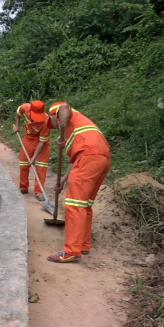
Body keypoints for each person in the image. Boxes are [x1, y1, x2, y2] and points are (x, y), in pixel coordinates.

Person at [46, 102, 111, 263]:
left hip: (88, 158)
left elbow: (64, 107)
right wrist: (62, 180)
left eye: (52, 122)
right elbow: (75, 161)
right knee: (84, 205)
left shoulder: (66, 114)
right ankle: (83, 244)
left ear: (53, 115)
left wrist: (61, 133)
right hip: (99, 159)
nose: (54, 126)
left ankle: (71, 251)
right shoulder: (76, 127)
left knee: (74, 205)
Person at [13, 100, 50, 201]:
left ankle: (39, 191)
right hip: (28, 139)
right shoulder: (25, 107)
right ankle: (23, 187)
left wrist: (34, 158)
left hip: (42, 144)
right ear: (30, 111)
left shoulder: (46, 121)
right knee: (24, 164)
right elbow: (18, 113)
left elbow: (42, 142)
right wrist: (17, 125)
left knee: (41, 168)